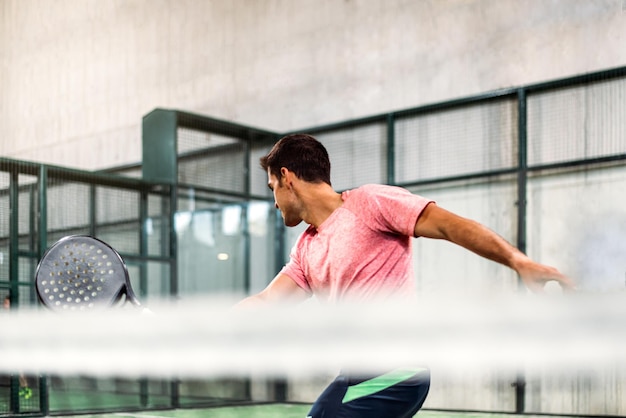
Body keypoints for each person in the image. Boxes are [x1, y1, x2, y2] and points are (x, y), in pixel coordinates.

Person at [237, 134, 574, 418]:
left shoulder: (368, 203)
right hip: (357, 376)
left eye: (272, 188)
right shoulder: (306, 247)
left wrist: (519, 261)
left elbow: (449, 225)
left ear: (287, 177)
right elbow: (269, 300)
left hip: (399, 372)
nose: (275, 203)